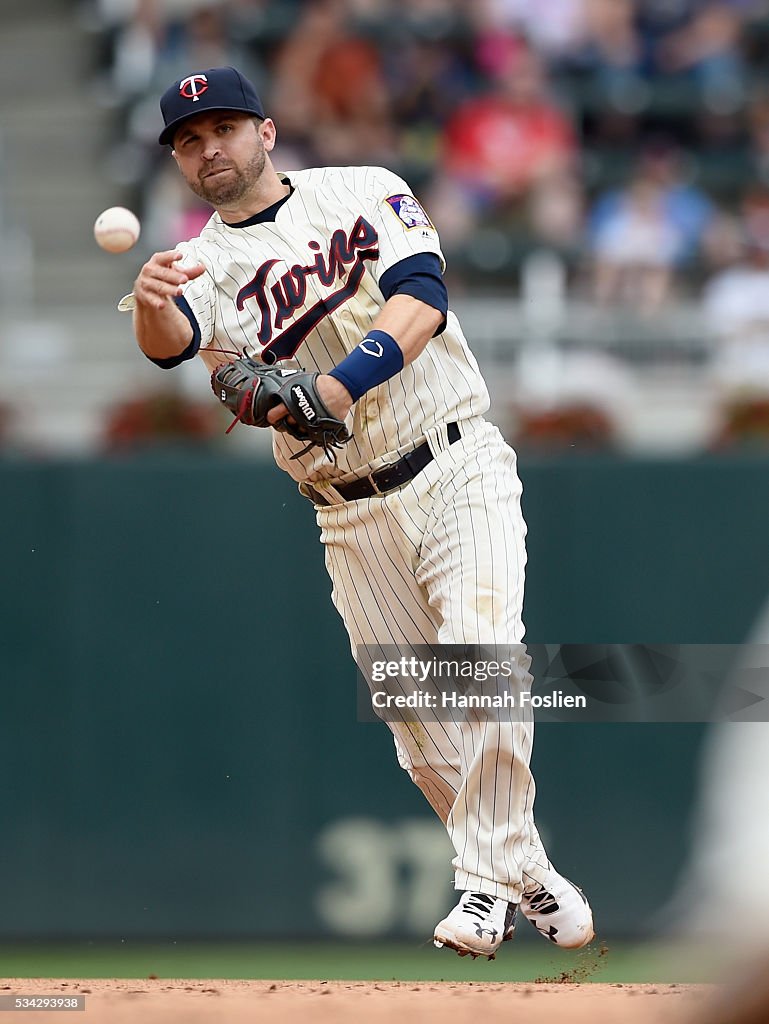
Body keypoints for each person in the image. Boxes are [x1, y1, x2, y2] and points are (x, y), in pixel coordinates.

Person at [127, 65, 594, 960]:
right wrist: (149, 305)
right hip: (345, 511)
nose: (206, 148)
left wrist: (336, 386)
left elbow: (423, 295)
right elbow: (173, 348)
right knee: (419, 731)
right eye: (188, 140)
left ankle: (480, 887)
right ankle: (524, 870)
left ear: (265, 132)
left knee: (483, 653)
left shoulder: (364, 189)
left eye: (222, 127)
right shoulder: (197, 262)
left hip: (454, 459)